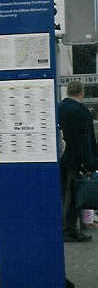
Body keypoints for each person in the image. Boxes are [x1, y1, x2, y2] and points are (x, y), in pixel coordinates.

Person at [58, 80, 96, 243]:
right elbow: (86, 140)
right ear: (81, 93)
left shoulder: (59, 108)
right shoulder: (81, 111)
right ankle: (70, 229)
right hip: (76, 159)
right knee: (74, 195)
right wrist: (90, 162)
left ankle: (70, 227)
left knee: (65, 193)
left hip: (62, 158)